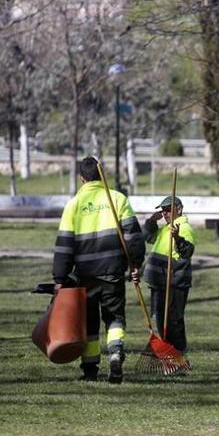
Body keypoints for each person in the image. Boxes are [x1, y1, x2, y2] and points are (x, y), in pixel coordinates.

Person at [52, 156, 144, 384]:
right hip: (112, 272)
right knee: (114, 317)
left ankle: (91, 370)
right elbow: (133, 238)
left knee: (90, 323)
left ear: (81, 178)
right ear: (103, 176)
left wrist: (60, 277)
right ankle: (115, 352)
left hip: (85, 275)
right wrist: (135, 263)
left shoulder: (73, 205)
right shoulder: (117, 199)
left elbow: (64, 245)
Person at [142, 196, 195, 353]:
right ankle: (169, 355)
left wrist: (178, 238)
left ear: (178, 209)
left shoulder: (184, 228)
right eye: (163, 210)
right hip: (160, 282)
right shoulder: (165, 228)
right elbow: (147, 237)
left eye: (168, 210)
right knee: (160, 320)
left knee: (173, 322)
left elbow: (187, 252)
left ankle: (178, 354)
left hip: (174, 283)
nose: (165, 213)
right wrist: (151, 221)